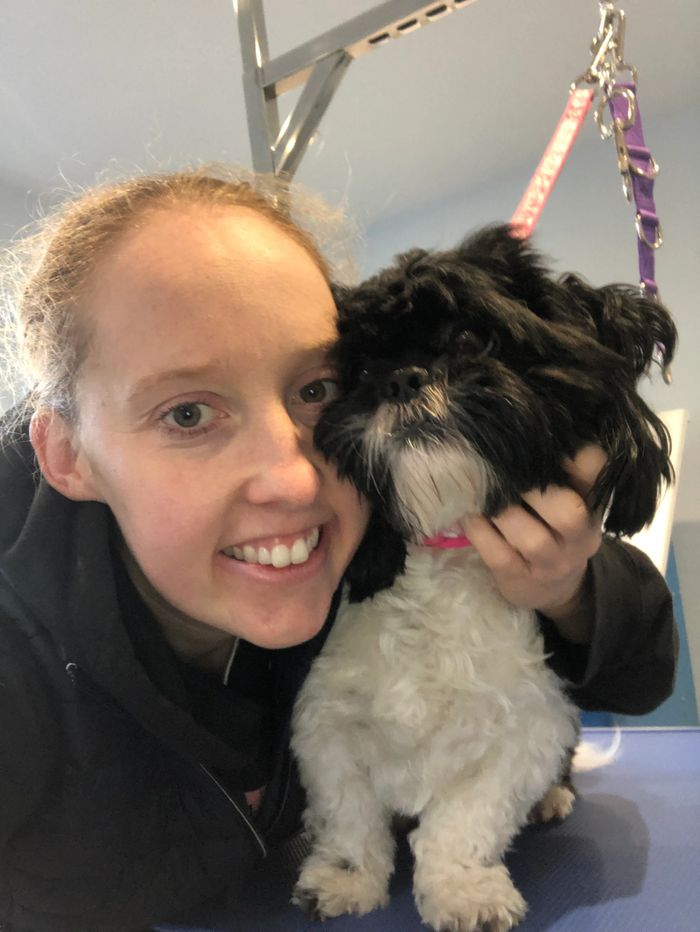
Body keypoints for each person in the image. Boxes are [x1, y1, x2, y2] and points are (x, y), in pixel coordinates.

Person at [0, 167, 677, 932]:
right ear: (66, 456)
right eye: (187, 413)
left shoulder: (374, 526)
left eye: (316, 391)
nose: (292, 480)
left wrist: (563, 583)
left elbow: (645, 661)